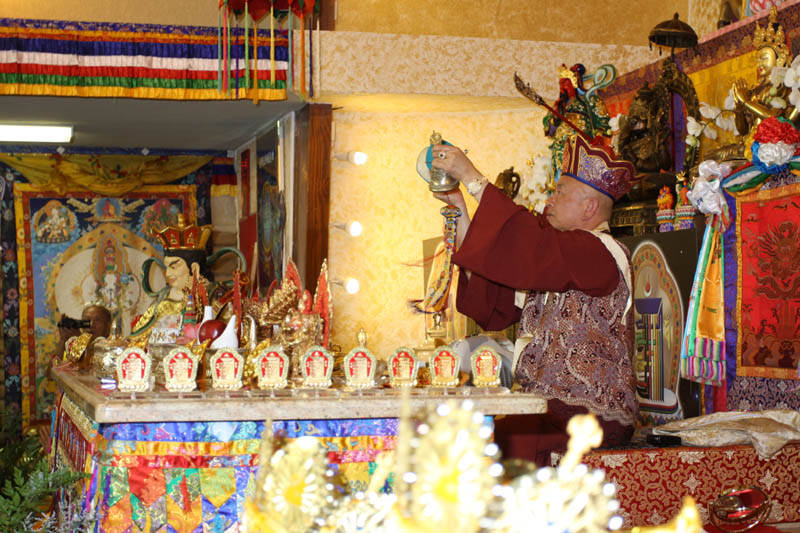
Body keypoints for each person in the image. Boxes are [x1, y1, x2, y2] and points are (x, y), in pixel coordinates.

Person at [431, 134, 638, 466]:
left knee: (502, 441)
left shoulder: (600, 252)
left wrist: (472, 178)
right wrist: (460, 210)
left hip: (592, 414)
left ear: (589, 207)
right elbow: (494, 299)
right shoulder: (559, 259)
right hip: (547, 410)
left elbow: (530, 246)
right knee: (470, 434)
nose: (549, 200)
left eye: (560, 192)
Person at [56, 304, 112, 369]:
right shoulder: (74, 345)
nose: (91, 325)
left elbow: (89, 369)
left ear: (108, 326)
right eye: (87, 320)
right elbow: (51, 372)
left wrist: (81, 339)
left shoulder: (113, 349)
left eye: (97, 320)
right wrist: (63, 339)